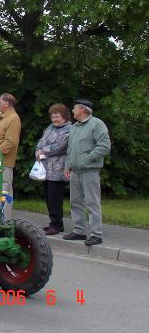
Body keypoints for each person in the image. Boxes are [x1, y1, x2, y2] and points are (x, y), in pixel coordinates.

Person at [63, 99, 111, 246]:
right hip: (75, 171)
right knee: (75, 202)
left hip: (90, 171)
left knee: (92, 202)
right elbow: (70, 148)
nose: (72, 111)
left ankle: (97, 234)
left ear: (83, 109)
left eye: (74, 108)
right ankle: (79, 231)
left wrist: (87, 159)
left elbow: (104, 146)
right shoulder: (74, 127)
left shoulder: (96, 124)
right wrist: (67, 165)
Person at [35, 104, 72, 235]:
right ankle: (55, 223)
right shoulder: (49, 128)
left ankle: (56, 224)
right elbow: (41, 140)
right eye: (53, 117)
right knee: (48, 197)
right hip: (46, 168)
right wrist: (38, 150)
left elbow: (59, 147)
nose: (54, 119)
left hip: (58, 169)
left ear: (64, 117)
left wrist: (42, 151)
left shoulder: (68, 130)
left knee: (55, 197)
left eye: (57, 117)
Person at [0, 93, 21, 221]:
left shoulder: (13, 118)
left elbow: (10, 142)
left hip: (3, 163)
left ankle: (5, 222)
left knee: (4, 192)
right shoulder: (4, 117)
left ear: (7, 103)